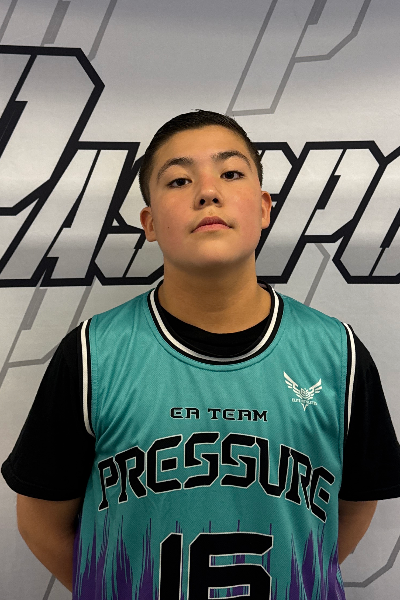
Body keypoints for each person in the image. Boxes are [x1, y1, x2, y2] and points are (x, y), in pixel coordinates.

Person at [2, 110, 400, 600]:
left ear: (264, 208)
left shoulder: (337, 353)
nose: (208, 192)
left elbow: (355, 505)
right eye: (179, 180)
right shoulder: (92, 355)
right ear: (149, 223)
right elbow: (41, 521)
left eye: (230, 173)